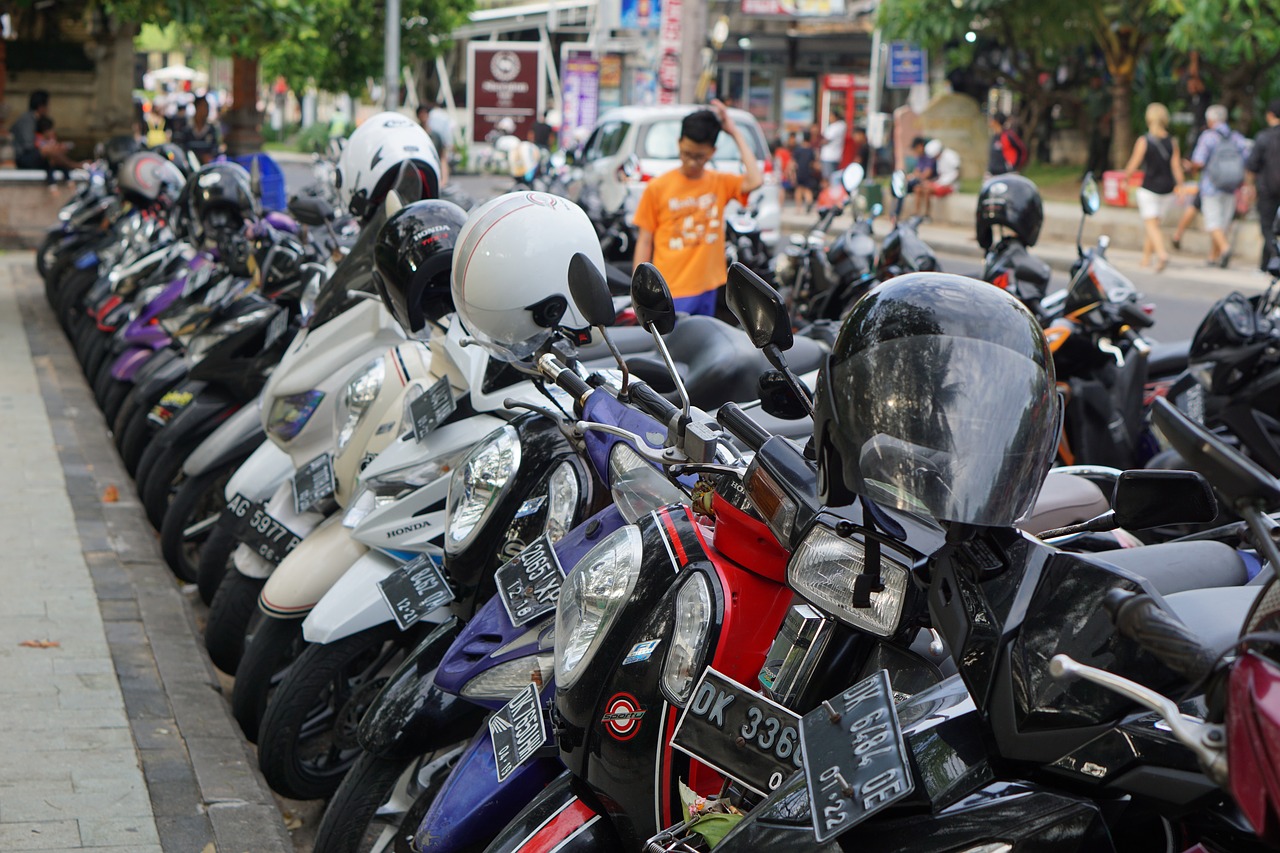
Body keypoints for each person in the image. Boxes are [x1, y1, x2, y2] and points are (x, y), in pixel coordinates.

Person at [633, 101, 763, 316]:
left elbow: (755, 180)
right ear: (679, 143)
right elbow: (645, 240)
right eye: (686, 153)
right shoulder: (657, 187)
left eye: (700, 157)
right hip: (672, 289)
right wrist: (639, 289)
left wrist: (734, 132)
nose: (692, 162)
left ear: (712, 152)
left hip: (708, 287)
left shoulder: (719, 182)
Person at [1122, 102, 1186, 273]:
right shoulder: (1172, 142)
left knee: (1151, 225)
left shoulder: (1144, 141)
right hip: (1167, 189)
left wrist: (1125, 179)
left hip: (1149, 188)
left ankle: (1162, 254)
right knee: (1155, 225)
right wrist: (1181, 186)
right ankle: (1146, 258)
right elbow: (1176, 166)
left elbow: (1134, 163)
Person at [1186, 103, 1250, 268]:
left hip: (1211, 185)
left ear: (1211, 120)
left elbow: (1199, 162)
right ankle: (1212, 257)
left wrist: (1190, 166)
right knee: (1223, 223)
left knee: (1213, 222)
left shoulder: (1208, 136)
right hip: (1231, 185)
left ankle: (1224, 248)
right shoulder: (1236, 137)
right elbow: (1248, 159)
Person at [1247, 98, 1280, 272]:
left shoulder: (1264, 137)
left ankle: (1275, 257)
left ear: (1270, 115)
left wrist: (1249, 187)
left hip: (1267, 189)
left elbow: (1252, 165)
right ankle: (1264, 265)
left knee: (1267, 227)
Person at [911, 139, 959, 218]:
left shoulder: (950, 156)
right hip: (940, 183)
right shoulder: (939, 160)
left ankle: (927, 214)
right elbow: (940, 176)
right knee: (919, 188)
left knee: (927, 189)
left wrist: (940, 183)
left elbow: (955, 173)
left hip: (950, 185)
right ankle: (917, 213)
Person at [11, 90, 55, 177]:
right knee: (52, 152)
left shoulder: (36, 119)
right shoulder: (28, 119)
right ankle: (74, 165)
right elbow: (28, 145)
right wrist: (44, 147)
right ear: (41, 106)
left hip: (30, 154)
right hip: (23, 158)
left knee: (54, 152)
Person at [173, 95, 222, 165]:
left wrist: (209, 156)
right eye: (204, 107)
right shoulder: (185, 127)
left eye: (207, 107)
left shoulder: (212, 129)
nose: (206, 110)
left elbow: (215, 149)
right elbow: (178, 148)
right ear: (197, 107)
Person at [33, 117, 82, 184]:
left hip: (54, 163)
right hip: (45, 164)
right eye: (51, 129)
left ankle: (70, 176)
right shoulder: (38, 139)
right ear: (46, 130)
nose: (53, 131)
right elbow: (48, 151)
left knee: (61, 164)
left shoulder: (49, 139)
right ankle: (74, 165)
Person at [1083, 76, 1113, 178]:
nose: (1094, 82)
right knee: (1093, 149)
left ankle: (1102, 173)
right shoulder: (1090, 93)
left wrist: (1106, 119)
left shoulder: (1105, 92)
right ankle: (1090, 172)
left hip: (1103, 124)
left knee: (1103, 149)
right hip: (1094, 124)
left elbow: (1112, 107)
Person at [986, 111, 1027, 177]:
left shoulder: (1008, 135)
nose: (989, 121)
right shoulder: (995, 136)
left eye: (991, 119)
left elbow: (1022, 150)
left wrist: (1016, 166)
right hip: (993, 173)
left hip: (1007, 174)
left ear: (997, 120)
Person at [790, 130, 819, 212]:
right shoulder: (811, 150)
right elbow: (814, 163)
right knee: (807, 189)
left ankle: (798, 208)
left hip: (799, 172)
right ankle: (809, 201)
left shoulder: (798, 149)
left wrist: (792, 173)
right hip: (808, 172)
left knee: (799, 189)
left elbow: (793, 163)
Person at [819, 107, 846, 180]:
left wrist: (818, 143)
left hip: (829, 156)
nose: (829, 118)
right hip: (834, 156)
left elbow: (826, 140)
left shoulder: (837, 126)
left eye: (831, 116)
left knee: (829, 179)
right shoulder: (841, 126)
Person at [773, 136, 794, 206]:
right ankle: (781, 204)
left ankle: (780, 204)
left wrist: (780, 171)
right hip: (785, 172)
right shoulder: (786, 152)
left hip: (780, 173)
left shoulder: (778, 152)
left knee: (780, 189)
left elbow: (779, 163)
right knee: (783, 189)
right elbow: (790, 162)